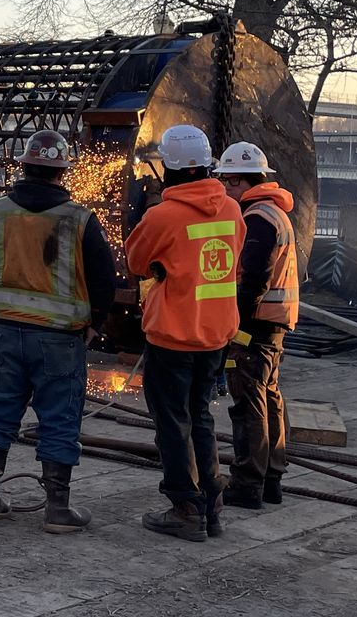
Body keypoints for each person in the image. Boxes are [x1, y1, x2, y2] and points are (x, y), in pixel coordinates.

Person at [0, 130, 117, 533]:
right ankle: (58, 510)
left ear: (23, 166)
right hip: (60, 338)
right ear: (62, 172)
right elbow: (105, 280)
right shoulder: (80, 219)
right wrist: (95, 323)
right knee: (60, 419)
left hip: (4, 332)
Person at [126, 124, 243, 542]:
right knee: (200, 417)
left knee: (172, 422)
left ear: (169, 168)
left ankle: (185, 507)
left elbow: (137, 261)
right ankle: (211, 507)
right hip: (215, 333)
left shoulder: (163, 215)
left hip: (173, 335)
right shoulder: (231, 208)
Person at [213, 141, 299, 509]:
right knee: (269, 398)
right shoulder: (275, 212)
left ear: (245, 180)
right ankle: (271, 479)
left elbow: (253, 280)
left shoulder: (258, 218)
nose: (225, 190)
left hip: (255, 323)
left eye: (229, 183)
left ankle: (247, 483)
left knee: (248, 403)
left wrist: (235, 324)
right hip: (273, 324)